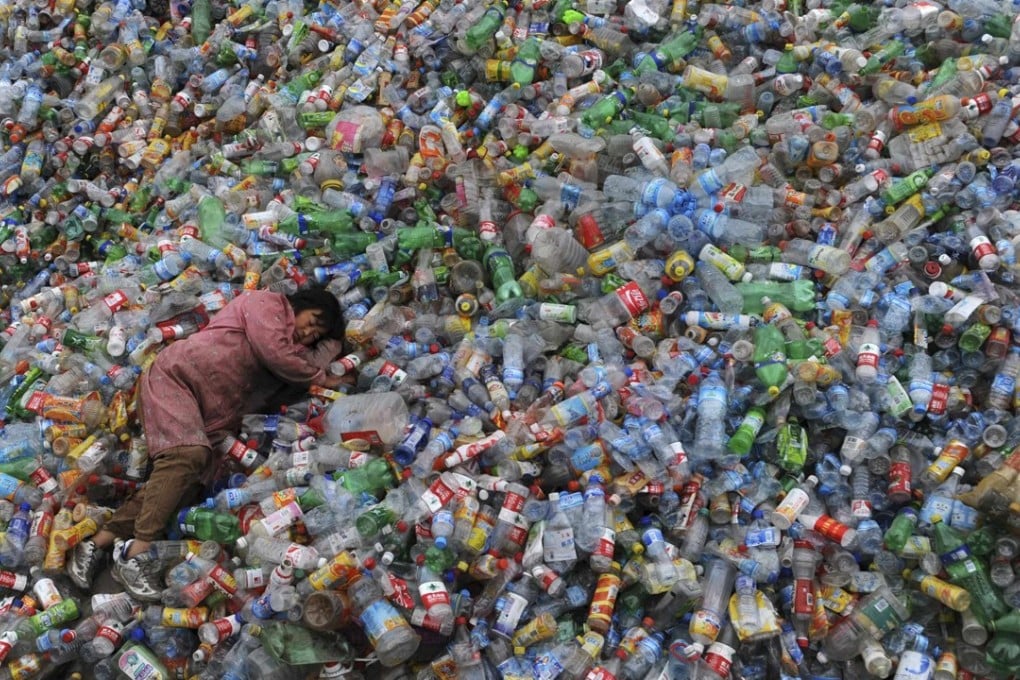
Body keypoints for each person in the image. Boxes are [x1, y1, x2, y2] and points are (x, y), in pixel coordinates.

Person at [67, 287, 346, 600]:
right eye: (313, 321)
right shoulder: (267, 304)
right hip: (177, 377)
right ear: (303, 303)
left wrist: (328, 351)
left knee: (187, 486)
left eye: (316, 335)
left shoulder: (293, 364)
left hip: (210, 417)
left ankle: (97, 543)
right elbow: (275, 351)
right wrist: (320, 375)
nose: (308, 332)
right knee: (186, 455)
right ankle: (135, 556)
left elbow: (283, 385)